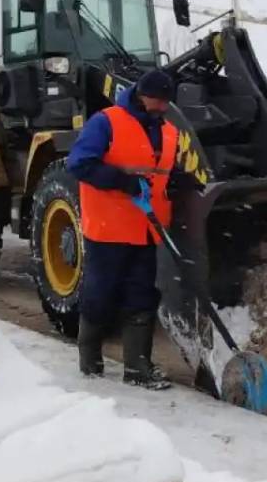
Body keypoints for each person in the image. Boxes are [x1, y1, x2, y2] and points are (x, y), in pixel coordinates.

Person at [66, 69, 194, 390]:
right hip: (109, 227)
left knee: (143, 294)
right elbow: (79, 163)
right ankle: (90, 358)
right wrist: (122, 181)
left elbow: (162, 169)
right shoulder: (106, 121)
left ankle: (137, 367)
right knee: (101, 292)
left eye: (167, 102)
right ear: (141, 94)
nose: (162, 107)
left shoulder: (169, 131)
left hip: (147, 228)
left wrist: (180, 179)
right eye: (158, 100)